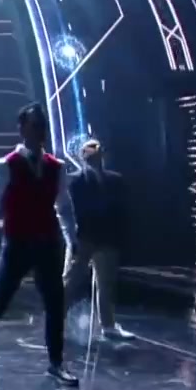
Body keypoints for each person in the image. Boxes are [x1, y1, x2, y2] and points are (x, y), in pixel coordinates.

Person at [0, 103, 78, 390]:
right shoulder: (6, 164)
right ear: (22, 129)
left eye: (42, 126)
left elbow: (64, 207)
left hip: (47, 244)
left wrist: (72, 239)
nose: (40, 131)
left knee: (55, 306)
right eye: (34, 125)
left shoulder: (56, 167)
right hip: (17, 243)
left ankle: (56, 363)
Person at [64, 139, 134, 340]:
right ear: (83, 156)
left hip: (107, 238)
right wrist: (72, 237)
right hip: (83, 237)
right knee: (71, 281)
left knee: (106, 283)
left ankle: (108, 325)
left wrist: (119, 235)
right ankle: (56, 319)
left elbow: (121, 210)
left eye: (98, 151)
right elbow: (70, 210)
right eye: (91, 151)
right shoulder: (74, 181)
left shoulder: (115, 180)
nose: (95, 154)